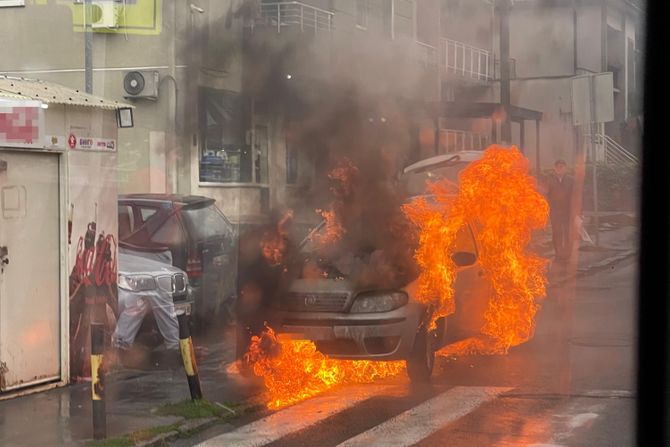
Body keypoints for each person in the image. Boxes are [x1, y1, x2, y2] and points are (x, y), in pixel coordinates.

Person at [545, 159, 573, 261]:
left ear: (565, 168)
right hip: (555, 213)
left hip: (567, 212)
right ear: (554, 168)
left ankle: (566, 254)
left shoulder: (571, 181)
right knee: (556, 233)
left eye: (562, 166)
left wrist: (578, 213)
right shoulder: (550, 181)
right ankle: (558, 254)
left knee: (567, 233)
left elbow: (575, 197)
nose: (559, 168)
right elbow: (547, 196)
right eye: (558, 166)